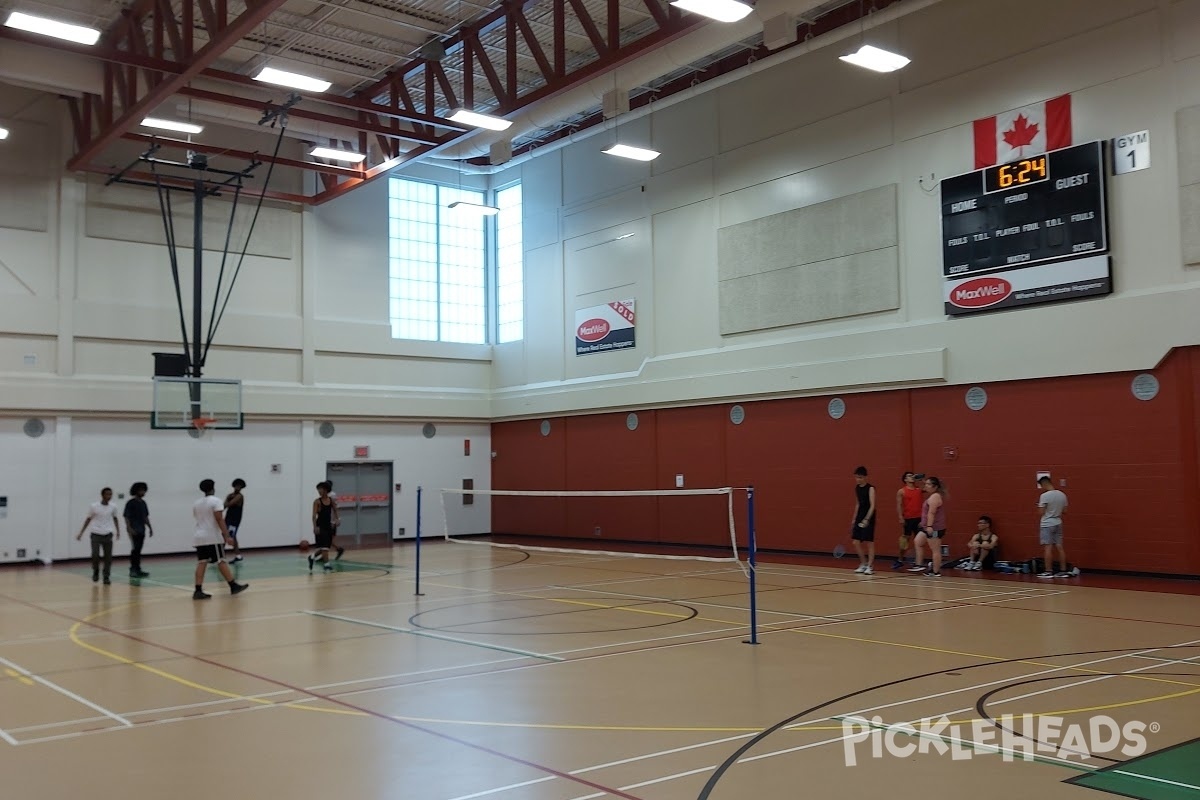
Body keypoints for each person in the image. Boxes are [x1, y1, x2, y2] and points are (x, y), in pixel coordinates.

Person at [193, 479, 248, 600]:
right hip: (211, 536)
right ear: (213, 488)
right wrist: (227, 535)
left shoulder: (197, 503)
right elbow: (219, 518)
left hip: (199, 536)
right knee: (221, 561)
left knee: (202, 562)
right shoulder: (216, 501)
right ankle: (233, 586)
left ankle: (197, 590)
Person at [76, 487, 120, 584]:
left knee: (108, 557)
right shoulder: (94, 506)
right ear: (102, 495)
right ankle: (95, 571)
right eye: (107, 494)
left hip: (108, 534)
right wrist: (81, 532)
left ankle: (106, 576)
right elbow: (88, 519)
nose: (109, 496)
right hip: (96, 533)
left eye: (110, 494)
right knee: (95, 555)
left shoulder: (113, 507)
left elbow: (115, 518)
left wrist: (118, 531)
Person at [909, 476, 947, 577]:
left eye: (928, 484)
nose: (926, 486)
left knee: (935, 549)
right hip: (926, 526)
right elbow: (925, 487)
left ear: (935, 487)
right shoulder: (932, 495)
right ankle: (919, 564)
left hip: (934, 528)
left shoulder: (935, 497)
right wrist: (923, 523)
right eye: (926, 484)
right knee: (918, 541)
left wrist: (929, 526)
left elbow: (931, 513)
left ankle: (935, 571)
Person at [1037, 476, 1071, 578]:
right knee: (1060, 547)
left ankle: (1048, 571)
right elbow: (1065, 511)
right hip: (1058, 522)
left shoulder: (1044, 496)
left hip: (1047, 523)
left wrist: (1039, 507)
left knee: (1048, 547)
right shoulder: (1062, 495)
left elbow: (1041, 512)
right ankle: (1063, 570)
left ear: (1043, 484)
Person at [850, 466, 877, 575]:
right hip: (859, 516)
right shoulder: (857, 488)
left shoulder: (871, 488)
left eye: (860, 477)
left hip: (869, 517)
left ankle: (870, 566)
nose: (858, 479)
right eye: (856, 477)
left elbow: (872, 505)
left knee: (869, 542)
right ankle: (863, 563)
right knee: (855, 542)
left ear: (865, 477)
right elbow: (858, 504)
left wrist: (867, 519)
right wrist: (854, 518)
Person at [893, 472, 923, 569]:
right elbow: (899, 505)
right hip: (908, 518)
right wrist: (900, 517)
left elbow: (929, 488)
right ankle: (900, 559)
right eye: (909, 476)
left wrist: (921, 479)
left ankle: (918, 562)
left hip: (919, 518)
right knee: (905, 540)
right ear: (905, 479)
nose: (912, 477)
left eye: (912, 476)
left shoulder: (919, 489)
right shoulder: (902, 491)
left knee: (919, 540)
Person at [123, 482, 153, 578]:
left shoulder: (143, 503)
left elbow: (145, 517)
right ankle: (133, 569)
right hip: (134, 530)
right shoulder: (130, 503)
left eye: (144, 490)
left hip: (141, 530)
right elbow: (126, 517)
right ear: (136, 491)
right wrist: (129, 528)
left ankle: (138, 569)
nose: (143, 492)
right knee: (134, 550)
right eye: (141, 490)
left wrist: (150, 527)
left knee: (138, 550)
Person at [310, 481, 340, 573]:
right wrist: (315, 527)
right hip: (320, 526)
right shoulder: (317, 501)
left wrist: (337, 519)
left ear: (326, 490)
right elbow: (314, 516)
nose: (319, 491)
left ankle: (311, 557)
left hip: (328, 525)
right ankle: (326, 565)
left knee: (327, 545)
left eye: (321, 489)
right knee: (324, 547)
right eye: (318, 489)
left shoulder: (331, 500)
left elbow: (335, 510)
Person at [224, 478, 246, 563]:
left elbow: (229, 504)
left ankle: (220, 557)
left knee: (229, 536)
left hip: (235, 520)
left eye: (240, 486)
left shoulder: (240, 496)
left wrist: (228, 501)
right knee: (229, 536)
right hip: (228, 518)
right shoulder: (230, 495)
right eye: (237, 486)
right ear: (234, 486)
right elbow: (224, 505)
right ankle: (238, 556)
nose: (238, 488)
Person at [326, 480, 345, 561]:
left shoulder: (332, 495)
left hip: (332, 522)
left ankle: (339, 549)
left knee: (327, 541)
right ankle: (339, 549)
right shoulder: (326, 495)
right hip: (327, 521)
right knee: (326, 541)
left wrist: (337, 519)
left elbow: (335, 508)